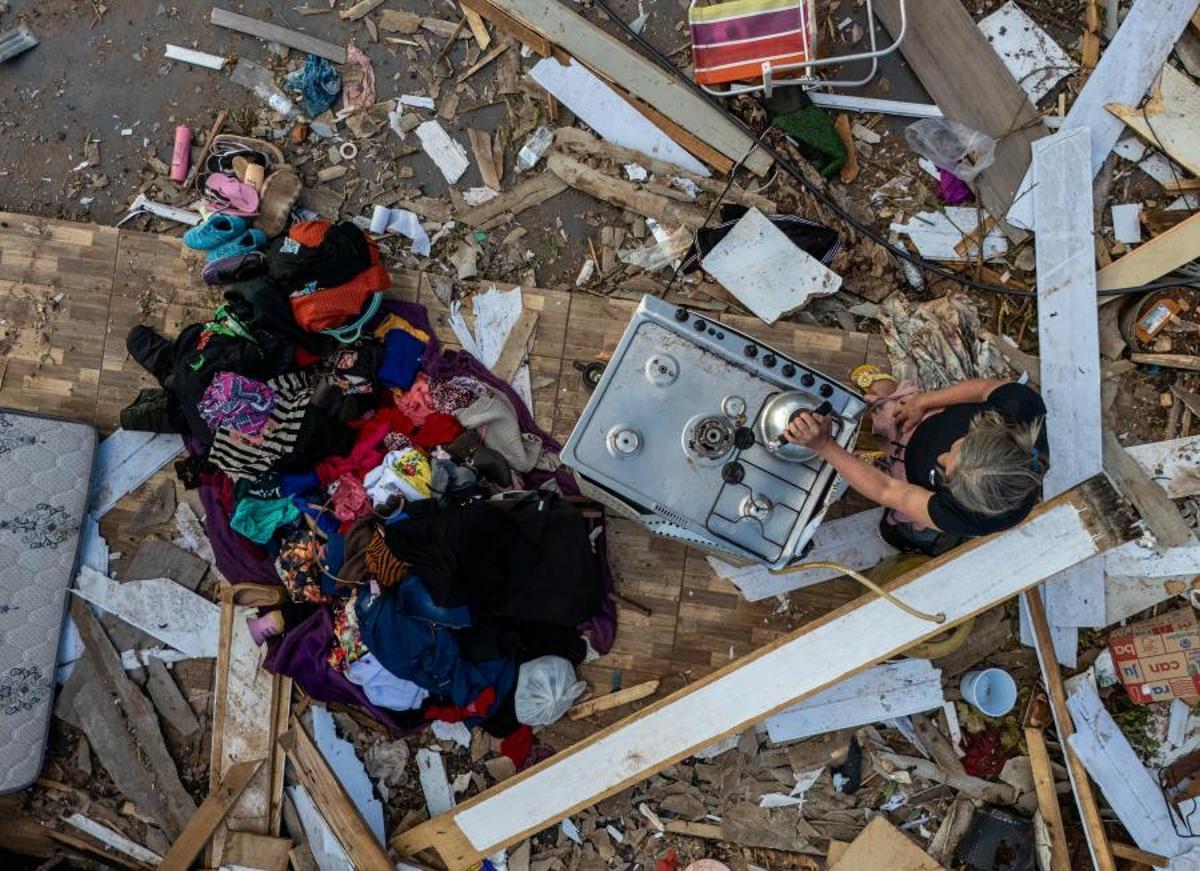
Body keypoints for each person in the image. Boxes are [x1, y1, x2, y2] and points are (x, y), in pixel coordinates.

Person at [784, 365, 1049, 555]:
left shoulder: (971, 517)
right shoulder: (1021, 409)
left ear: (964, 500)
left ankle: (886, 460)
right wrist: (923, 402)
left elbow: (888, 490)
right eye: (956, 448)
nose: (941, 457)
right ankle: (892, 404)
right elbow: (983, 391)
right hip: (927, 419)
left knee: (900, 514)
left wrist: (824, 445)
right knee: (895, 406)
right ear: (990, 427)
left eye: (947, 472)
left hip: (912, 479)